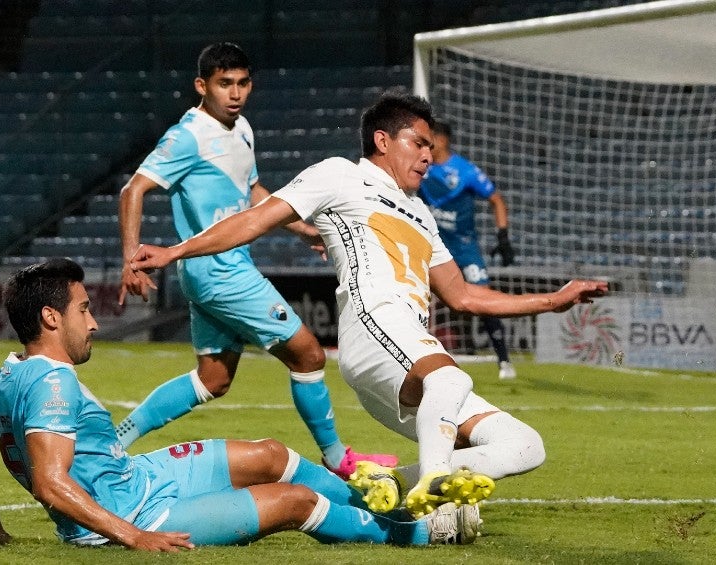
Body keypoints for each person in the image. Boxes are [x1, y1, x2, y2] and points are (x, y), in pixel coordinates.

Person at [127, 92, 609, 519]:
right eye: (418, 143)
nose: (429, 154)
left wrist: (553, 299)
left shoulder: (421, 213)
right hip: (374, 325)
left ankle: (393, 483)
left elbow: (462, 295)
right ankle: (436, 484)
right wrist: (174, 251)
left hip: (405, 354)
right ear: (382, 140)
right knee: (451, 376)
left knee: (525, 445)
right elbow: (254, 220)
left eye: (431, 146)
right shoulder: (339, 175)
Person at [0, 258, 480, 551]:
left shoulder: (10, 372)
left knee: (270, 453)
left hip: (139, 477)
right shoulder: (53, 382)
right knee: (292, 502)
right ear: (51, 319)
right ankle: (415, 532)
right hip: (136, 512)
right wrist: (135, 537)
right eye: (84, 310)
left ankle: (381, 502)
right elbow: (49, 482)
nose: (95, 322)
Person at [115, 41, 395, 478]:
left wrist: (301, 229)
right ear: (201, 86)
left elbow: (253, 191)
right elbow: (132, 190)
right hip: (218, 269)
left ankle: (116, 443)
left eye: (243, 83)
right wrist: (131, 258)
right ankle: (338, 459)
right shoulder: (187, 136)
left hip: (216, 269)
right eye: (224, 84)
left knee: (212, 379)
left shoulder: (243, 128)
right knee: (309, 355)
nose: (235, 93)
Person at [418, 121, 517, 380]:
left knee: (482, 298)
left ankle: (504, 360)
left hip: (464, 248)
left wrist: (503, 236)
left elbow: (496, 199)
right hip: (432, 245)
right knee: (417, 298)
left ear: (442, 140)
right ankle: (416, 357)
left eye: (430, 139)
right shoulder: (420, 169)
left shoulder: (465, 171)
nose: (426, 144)